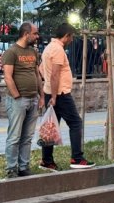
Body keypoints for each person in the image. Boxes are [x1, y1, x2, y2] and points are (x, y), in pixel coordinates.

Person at [39, 22, 95, 171]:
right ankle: (77, 158)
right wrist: (55, 96)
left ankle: (47, 161)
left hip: (51, 91)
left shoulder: (48, 48)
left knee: (51, 127)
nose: (72, 40)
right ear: (66, 36)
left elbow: (41, 69)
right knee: (76, 123)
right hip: (60, 93)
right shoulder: (57, 49)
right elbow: (55, 74)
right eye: (71, 37)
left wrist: (49, 90)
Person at [1, 23, 44, 178]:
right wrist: (17, 96)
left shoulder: (33, 52)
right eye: (35, 33)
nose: (37, 36)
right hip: (18, 100)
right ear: (26, 34)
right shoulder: (11, 52)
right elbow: (8, 76)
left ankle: (23, 166)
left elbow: (37, 75)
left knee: (27, 137)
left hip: (33, 99)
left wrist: (42, 96)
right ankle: (11, 168)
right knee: (15, 136)